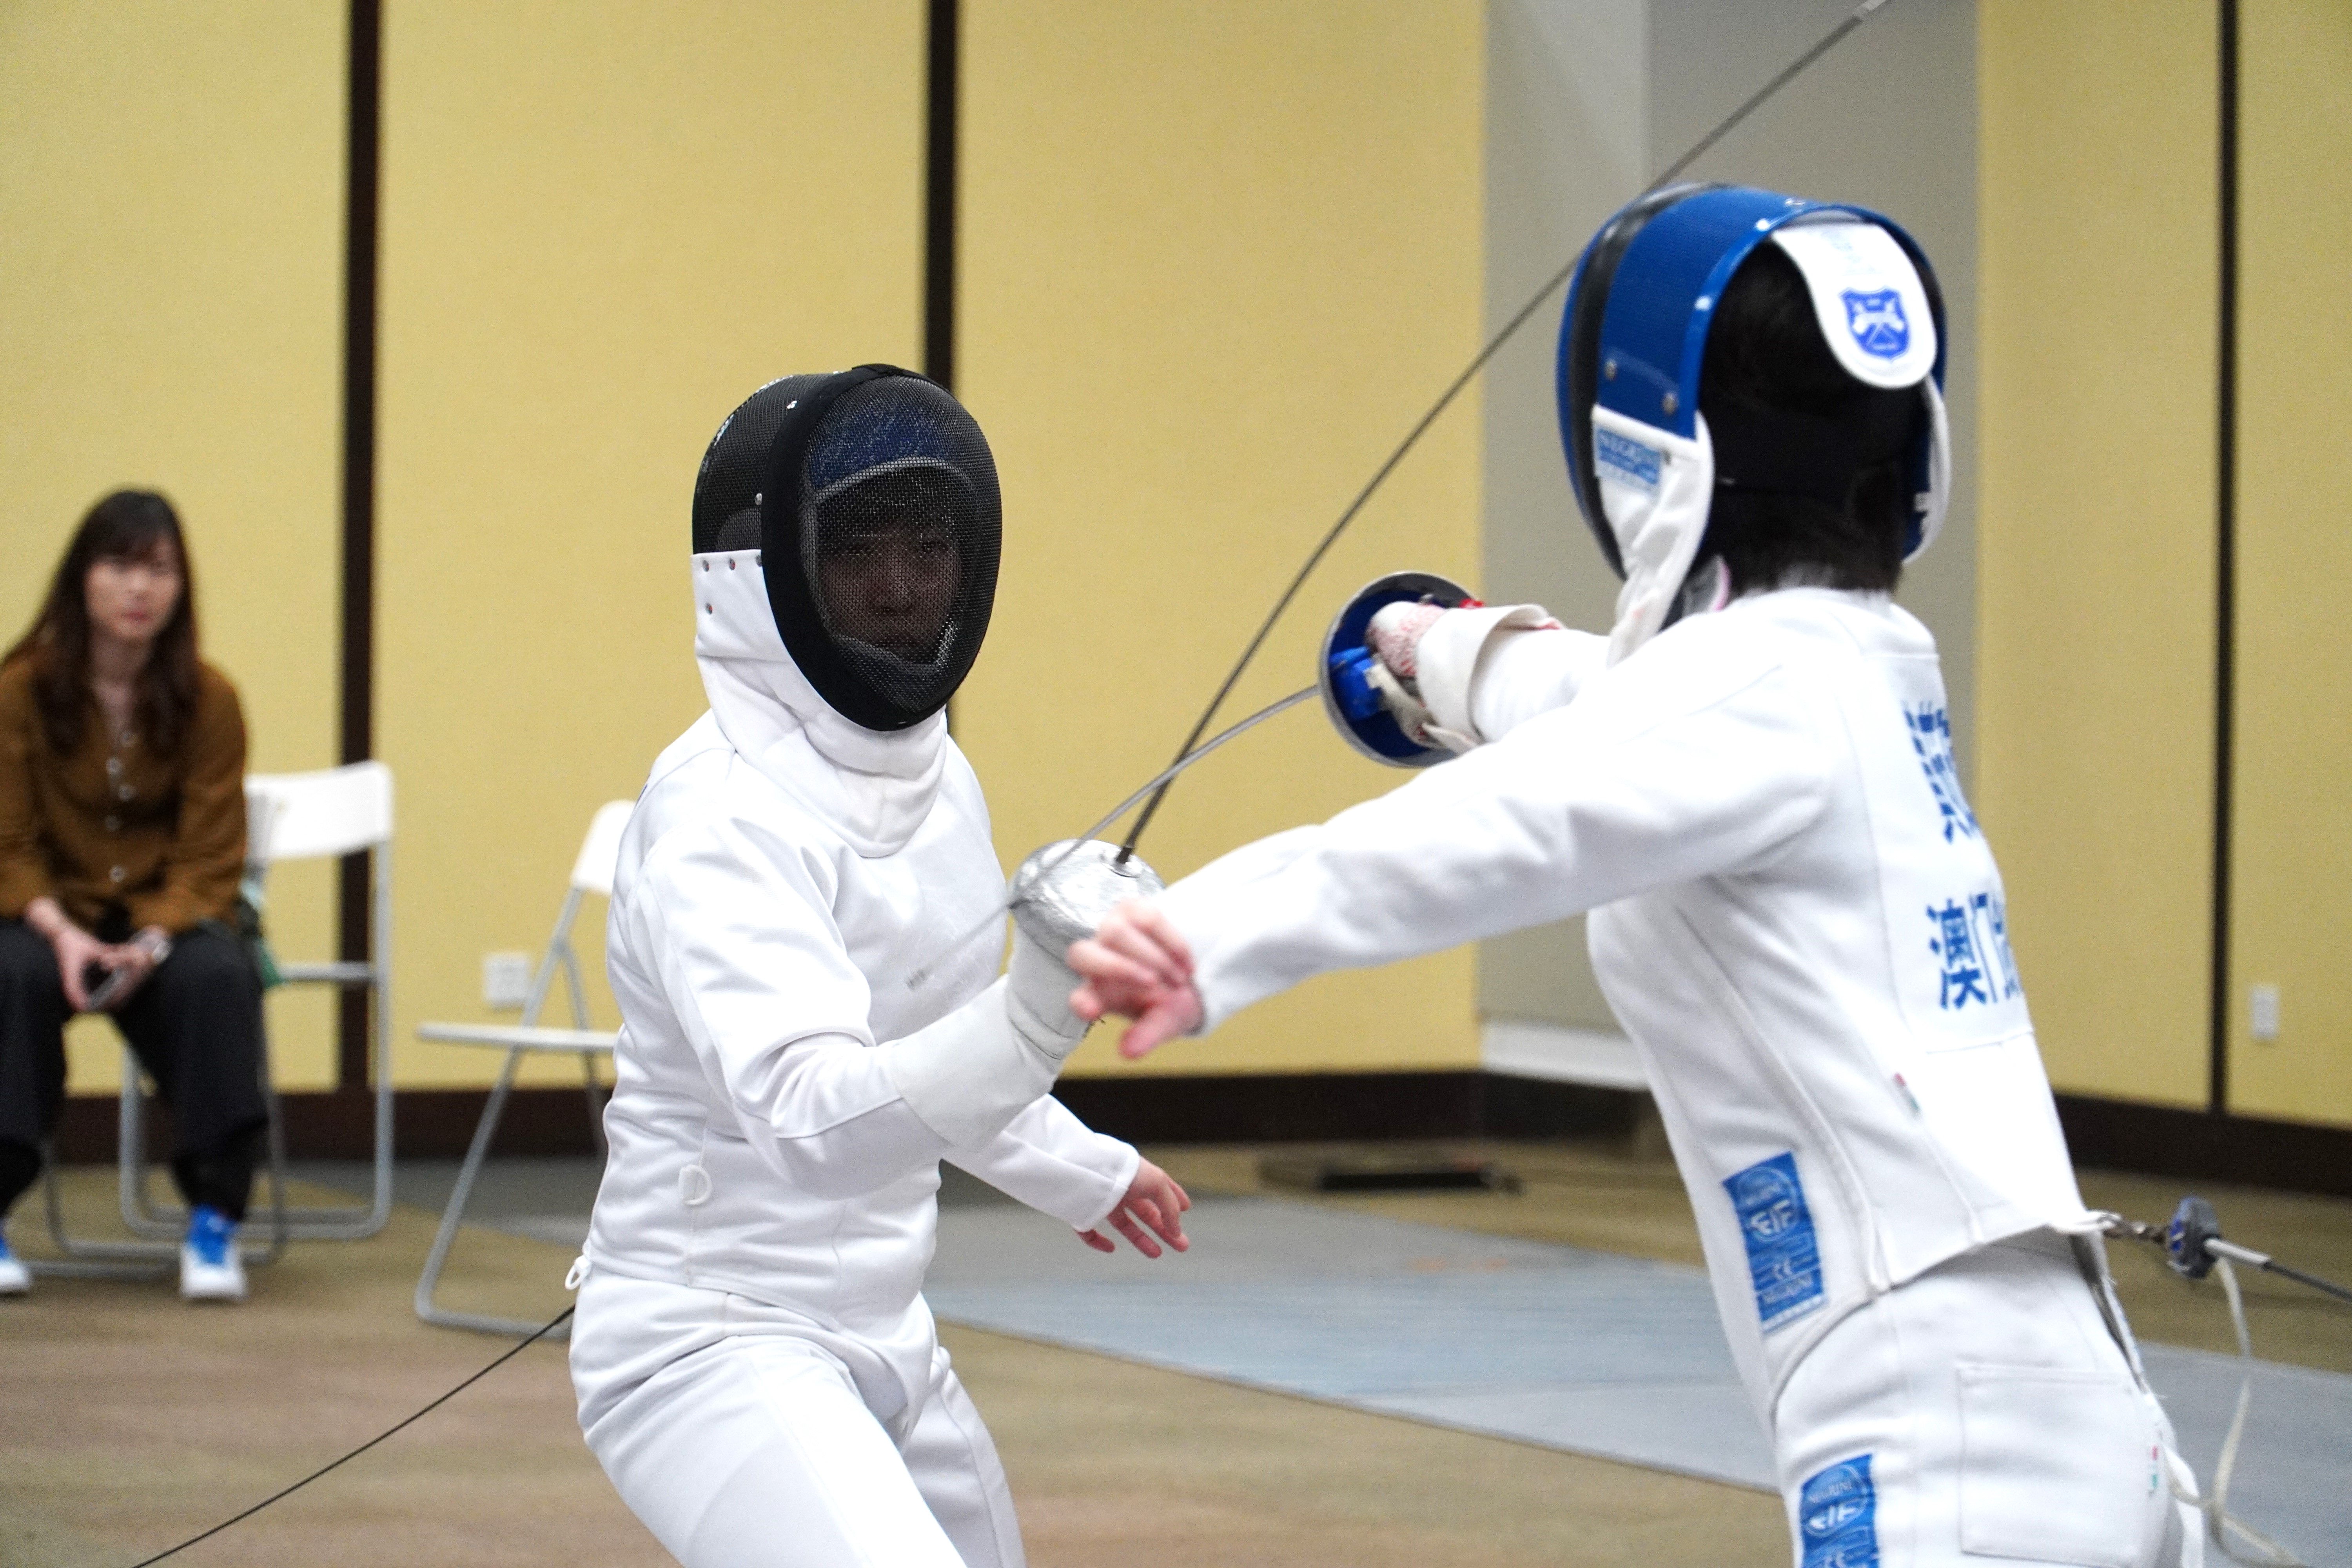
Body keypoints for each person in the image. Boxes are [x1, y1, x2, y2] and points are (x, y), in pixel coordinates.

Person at [1070, 189, 2208, 1568]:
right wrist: (1430, 653)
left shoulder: (1758, 690)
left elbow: (1511, 823)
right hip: (2053, 1403)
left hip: (1947, 1430)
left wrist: (1198, 939)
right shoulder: (1848, 662)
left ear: (1648, 445)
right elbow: (1612, 703)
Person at [569, 367, 1190, 1568]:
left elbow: (932, 1054)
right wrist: (1046, 1003)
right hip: (708, 1340)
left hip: (885, 1328)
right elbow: (818, 1127)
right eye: (863, 555)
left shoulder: (937, 775)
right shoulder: (721, 813)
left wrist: (1086, 1169)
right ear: (771, 576)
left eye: (928, 551)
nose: (905, 593)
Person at [0, 489, 262, 1303]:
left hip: (163, 919)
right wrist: (65, 934)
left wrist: (148, 942)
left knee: (217, 976)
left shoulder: (210, 699)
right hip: (43, 911)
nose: (138, 589)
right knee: (11, 977)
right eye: (119, 566)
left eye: (159, 569)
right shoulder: (19, 690)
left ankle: (213, 1216)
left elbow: (212, 855)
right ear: (81, 577)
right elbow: (7, 842)